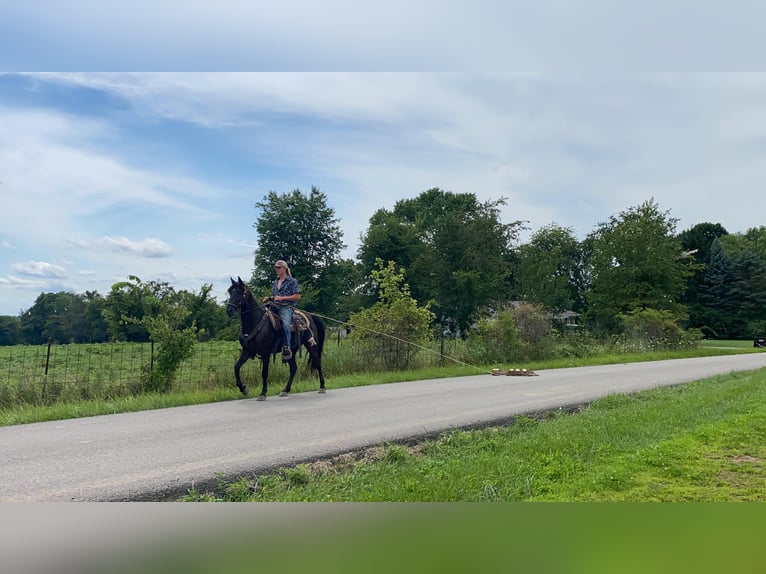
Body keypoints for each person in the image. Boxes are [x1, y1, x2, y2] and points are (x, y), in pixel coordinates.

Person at [264, 259, 301, 361]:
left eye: (279, 267)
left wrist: (282, 298)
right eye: (276, 268)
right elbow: (276, 296)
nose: (277, 269)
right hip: (274, 306)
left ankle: (287, 347)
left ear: (284, 268)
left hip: (287, 307)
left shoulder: (292, 281)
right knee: (261, 316)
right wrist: (270, 298)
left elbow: (297, 296)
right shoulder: (275, 282)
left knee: (285, 323)